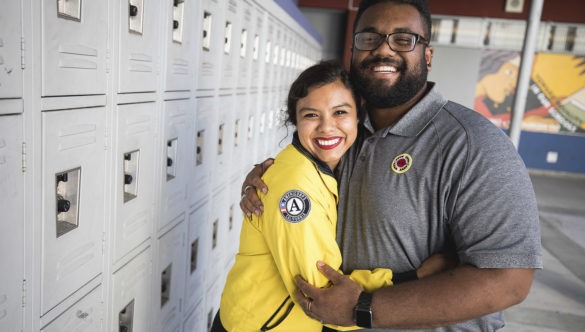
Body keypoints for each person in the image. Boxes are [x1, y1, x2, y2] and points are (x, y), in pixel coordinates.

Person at [240, 0, 542, 331]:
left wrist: (363, 308)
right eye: (369, 38)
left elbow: (509, 280)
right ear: (353, 51)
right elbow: (300, 187)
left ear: (427, 55)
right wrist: (264, 185)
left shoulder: (473, 144)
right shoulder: (344, 133)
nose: (383, 50)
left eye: (403, 38)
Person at [213, 61, 449, 332]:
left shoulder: (328, 165)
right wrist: (412, 278)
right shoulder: (296, 186)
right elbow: (322, 293)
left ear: (358, 116)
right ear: (295, 120)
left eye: (339, 112)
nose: (327, 127)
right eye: (311, 115)